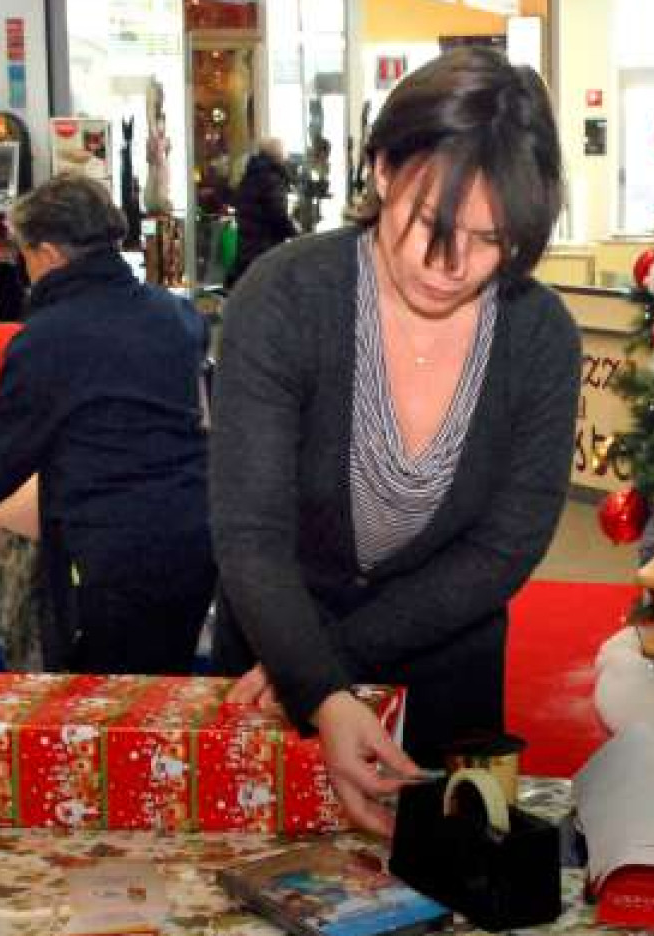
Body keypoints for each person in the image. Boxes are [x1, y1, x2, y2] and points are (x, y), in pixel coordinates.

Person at [210, 48, 578, 834]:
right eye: (432, 224)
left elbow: (503, 548)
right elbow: (251, 534)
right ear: (382, 170)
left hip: (442, 667)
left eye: (492, 239)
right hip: (272, 655)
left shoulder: (539, 334)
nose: (452, 265)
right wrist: (314, 685)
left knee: (442, 880)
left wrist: (327, 668)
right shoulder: (283, 298)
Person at [0, 173, 215, 675]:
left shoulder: (47, 338)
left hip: (109, 547)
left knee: (107, 693)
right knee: (166, 686)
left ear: (49, 254)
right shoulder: (177, 315)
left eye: (25, 254)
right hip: (193, 527)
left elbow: (8, 447)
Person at [226, 136, 298, 290]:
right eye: (284, 152)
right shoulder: (271, 178)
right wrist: (295, 233)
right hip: (264, 245)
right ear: (277, 154)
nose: (286, 156)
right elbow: (277, 213)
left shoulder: (251, 174)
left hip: (248, 244)